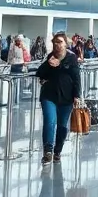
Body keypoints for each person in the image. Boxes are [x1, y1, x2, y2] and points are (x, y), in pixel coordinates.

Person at [35, 33, 81, 165]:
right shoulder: (50, 56)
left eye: (60, 42)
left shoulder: (71, 58)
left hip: (66, 98)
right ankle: (48, 151)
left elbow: (76, 78)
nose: (57, 44)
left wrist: (77, 96)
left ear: (66, 44)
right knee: (50, 121)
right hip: (49, 96)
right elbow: (40, 73)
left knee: (62, 126)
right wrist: (49, 65)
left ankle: (57, 151)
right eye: (55, 42)